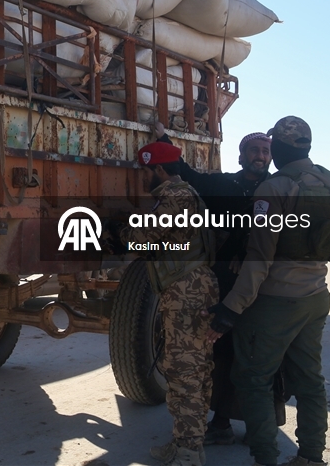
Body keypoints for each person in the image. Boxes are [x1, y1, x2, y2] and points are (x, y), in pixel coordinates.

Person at [205, 116, 330, 466]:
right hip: (316, 296)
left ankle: (266, 458)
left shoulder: (275, 188)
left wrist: (230, 309)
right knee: (310, 380)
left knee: (252, 379)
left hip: (275, 302)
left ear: (279, 148)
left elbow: (259, 258)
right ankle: (311, 457)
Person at [155, 122, 273, 445]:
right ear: (242, 155)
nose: (260, 156)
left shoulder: (276, 189)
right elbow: (188, 175)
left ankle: (260, 427)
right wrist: (163, 139)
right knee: (222, 354)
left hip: (263, 287)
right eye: (254, 150)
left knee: (261, 358)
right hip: (224, 286)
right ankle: (220, 422)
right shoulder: (225, 185)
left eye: (265, 151)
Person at [120, 141, 219, 466]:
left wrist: (121, 230)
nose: (143, 178)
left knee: (185, 372)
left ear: (159, 170)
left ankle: (190, 451)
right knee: (193, 370)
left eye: (145, 172)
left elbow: (144, 239)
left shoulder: (176, 197)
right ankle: (185, 442)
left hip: (186, 293)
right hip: (189, 289)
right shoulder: (184, 194)